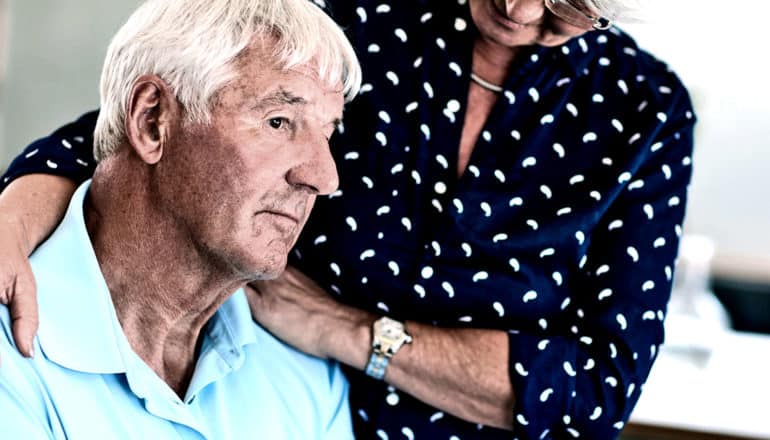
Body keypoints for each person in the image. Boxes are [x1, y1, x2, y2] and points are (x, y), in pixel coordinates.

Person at [0, 0, 696, 439]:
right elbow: (148, 123)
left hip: (290, 389)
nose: (516, 8)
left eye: (561, 3)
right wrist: (9, 216)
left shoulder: (645, 108)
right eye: (283, 124)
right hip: (257, 382)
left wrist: (348, 332)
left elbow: (597, 390)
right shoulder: (364, 18)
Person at [0, 0, 362, 438]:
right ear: (152, 121)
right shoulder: (11, 353)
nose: (324, 178)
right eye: (278, 121)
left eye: (327, 133)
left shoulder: (306, 380)